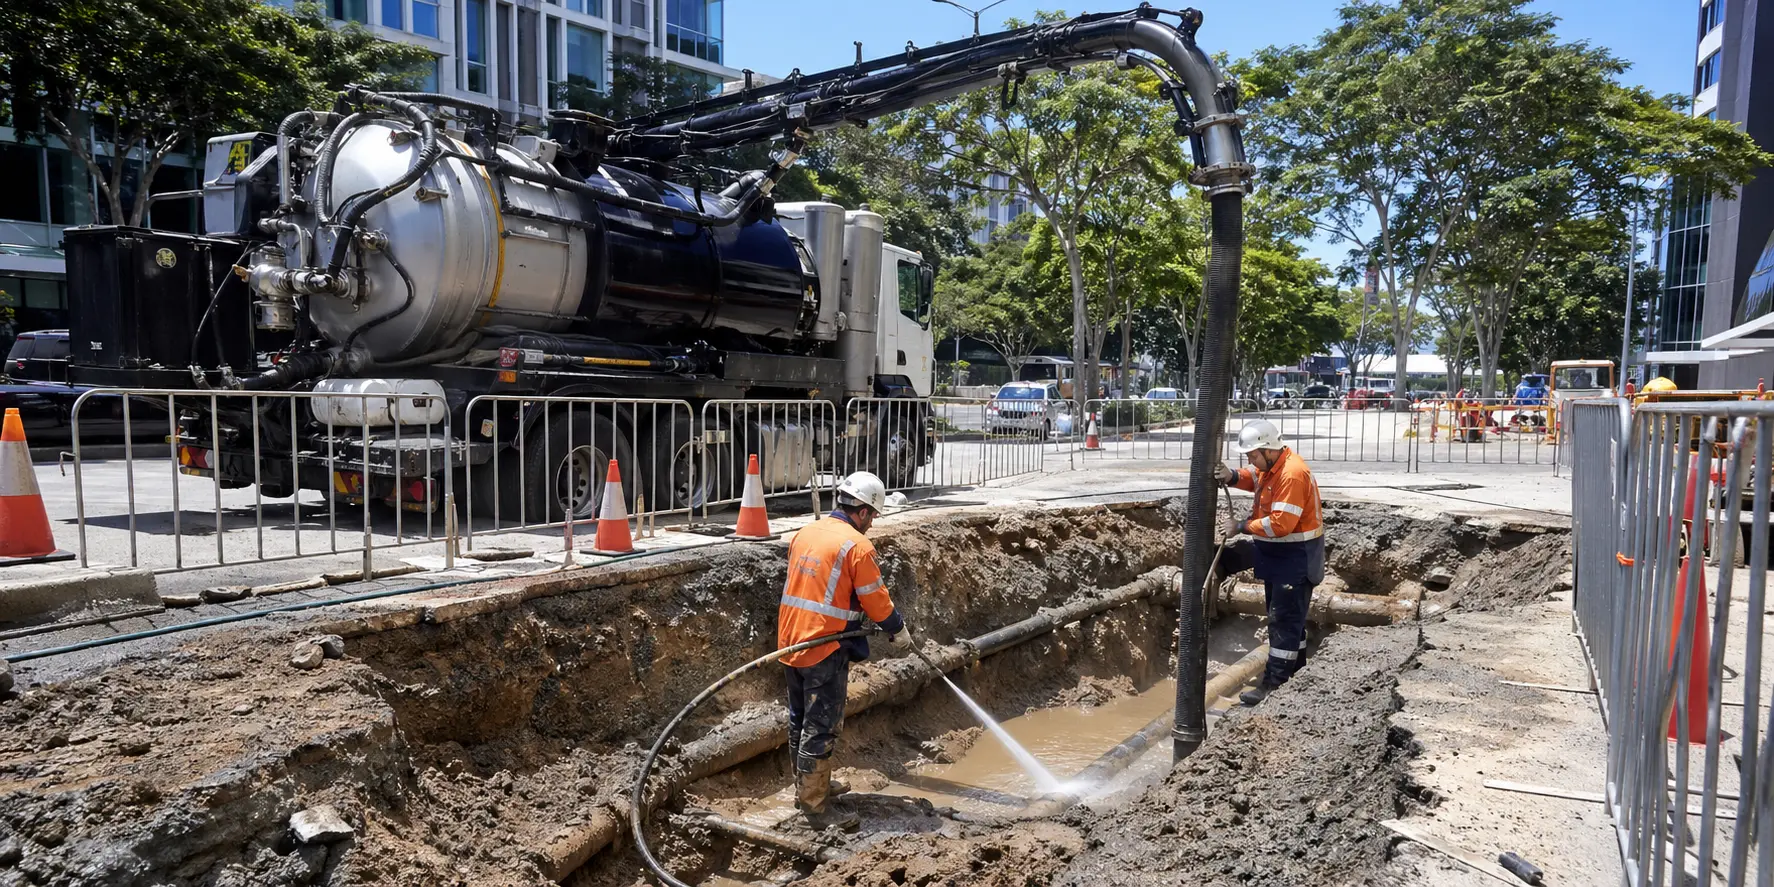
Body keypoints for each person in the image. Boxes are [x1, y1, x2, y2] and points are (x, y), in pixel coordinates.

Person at [776, 470, 911, 829]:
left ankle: (807, 788)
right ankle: (816, 808)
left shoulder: (806, 532)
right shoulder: (856, 545)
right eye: (873, 517)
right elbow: (876, 600)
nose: (871, 524)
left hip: (791, 641)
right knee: (821, 726)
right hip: (823, 646)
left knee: (800, 720)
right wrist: (897, 630)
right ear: (864, 511)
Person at [1213, 419, 1325, 706]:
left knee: (1283, 623)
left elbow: (1281, 524)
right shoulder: (1273, 467)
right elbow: (1256, 479)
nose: (1251, 461)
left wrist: (1240, 526)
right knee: (1290, 624)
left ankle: (1274, 686)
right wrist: (1233, 476)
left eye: (1253, 455)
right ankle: (1296, 674)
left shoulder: (1292, 474)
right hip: (1282, 556)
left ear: (1268, 449)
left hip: (1295, 558)